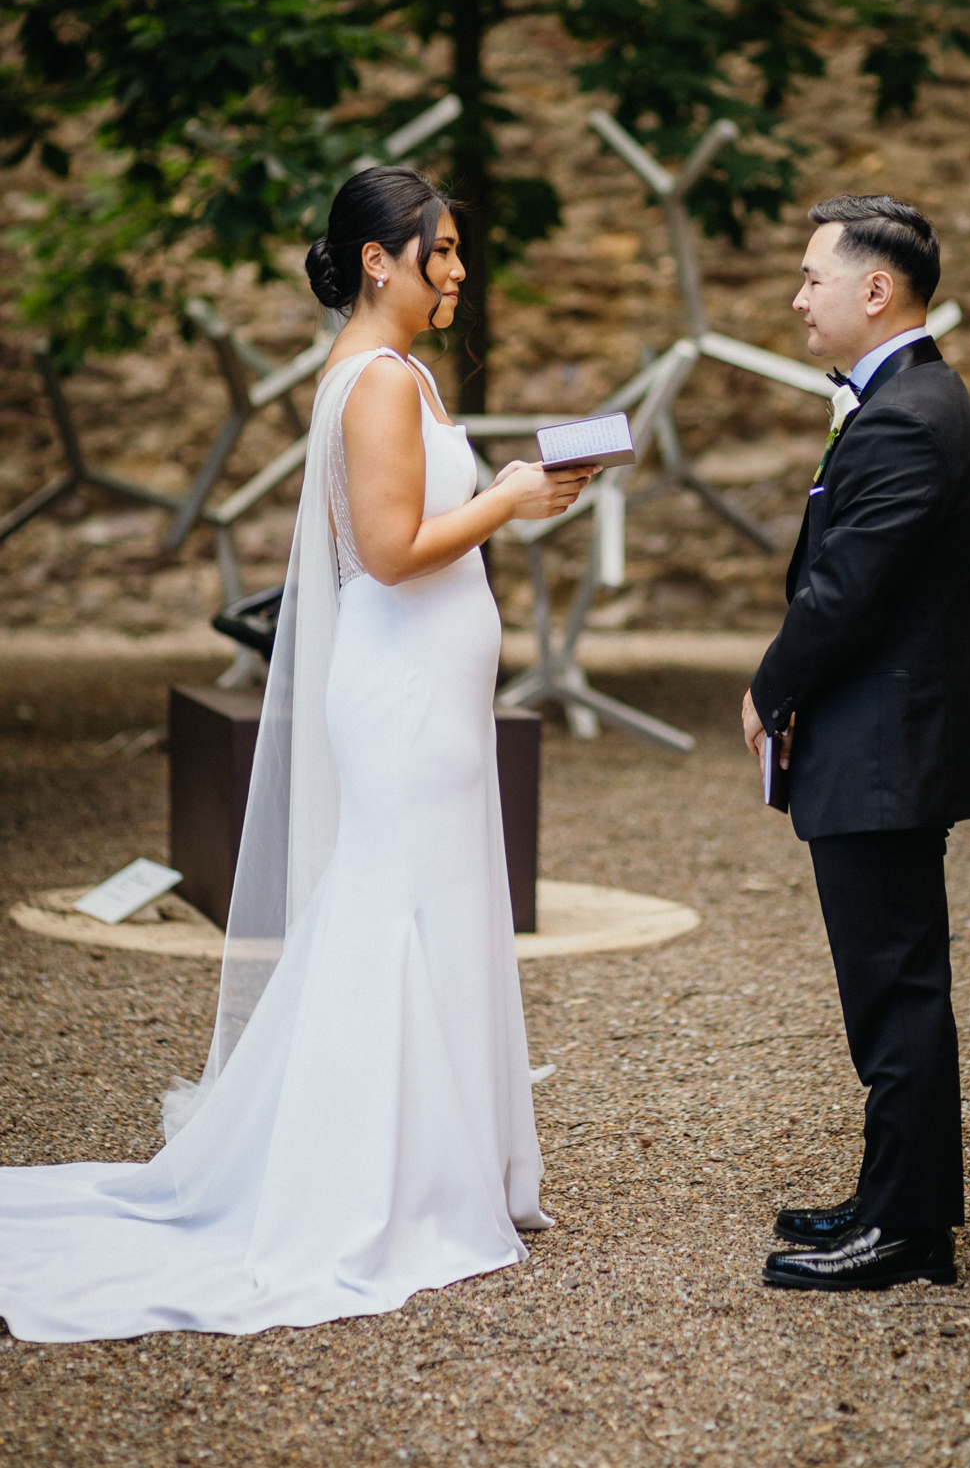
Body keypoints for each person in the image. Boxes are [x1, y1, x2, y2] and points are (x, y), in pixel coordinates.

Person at [0, 166, 592, 1341]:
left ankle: (442, 1160)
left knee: (438, 903)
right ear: (380, 260)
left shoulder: (407, 374)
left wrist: (520, 499)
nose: (460, 272)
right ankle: (376, 1185)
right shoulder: (373, 382)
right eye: (443, 252)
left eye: (461, 253)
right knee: (392, 913)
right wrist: (511, 499)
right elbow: (386, 551)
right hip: (400, 701)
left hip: (431, 694)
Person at [742, 194, 970, 1293]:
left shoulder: (906, 415)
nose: (799, 298)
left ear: (876, 289)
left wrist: (768, 686)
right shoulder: (905, 398)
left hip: (885, 746)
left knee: (895, 993)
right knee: (889, 987)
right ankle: (891, 1193)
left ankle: (905, 1233)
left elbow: (845, 592)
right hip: (886, 739)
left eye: (813, 279)